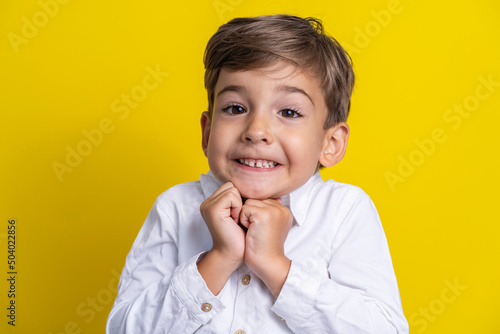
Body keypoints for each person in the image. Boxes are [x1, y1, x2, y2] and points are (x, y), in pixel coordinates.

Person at [106, 14, 409, 333]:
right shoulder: (175, 208)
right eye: (235, 108)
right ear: (207, 133)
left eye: (289, 112)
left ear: (330, 143)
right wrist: (219, 258)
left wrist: (276, 266)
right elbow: (125, 329)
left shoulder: (344, 212)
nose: (257, 131)